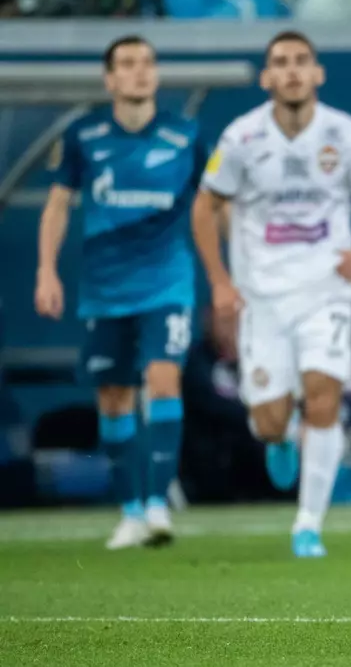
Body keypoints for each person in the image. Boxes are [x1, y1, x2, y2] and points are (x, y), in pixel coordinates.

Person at [192, 30, 351, 558]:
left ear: (317, 73)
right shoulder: (242, 137)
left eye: (300, 61)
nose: (291, 70)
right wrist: (219, 281)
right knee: (267, 421)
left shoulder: (345, 134)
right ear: (267, 77)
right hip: (261, 298)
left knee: (324, 394)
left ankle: (308, 524)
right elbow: (204, 207)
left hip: (325, 292)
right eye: (280, 62)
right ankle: (280, 436)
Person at [35, 35, 206, 549]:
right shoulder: (83, 135)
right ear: (109, 79)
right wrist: (46, 271)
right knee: (113, 397)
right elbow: (58, 204)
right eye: (127, 64)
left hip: (167, 282)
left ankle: (157, 504)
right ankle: (130, 511)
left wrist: (227, 271)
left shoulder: (186, 135)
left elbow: (211, 205)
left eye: (147, 62)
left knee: (163, 379)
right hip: (105, 289)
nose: (139, 71)